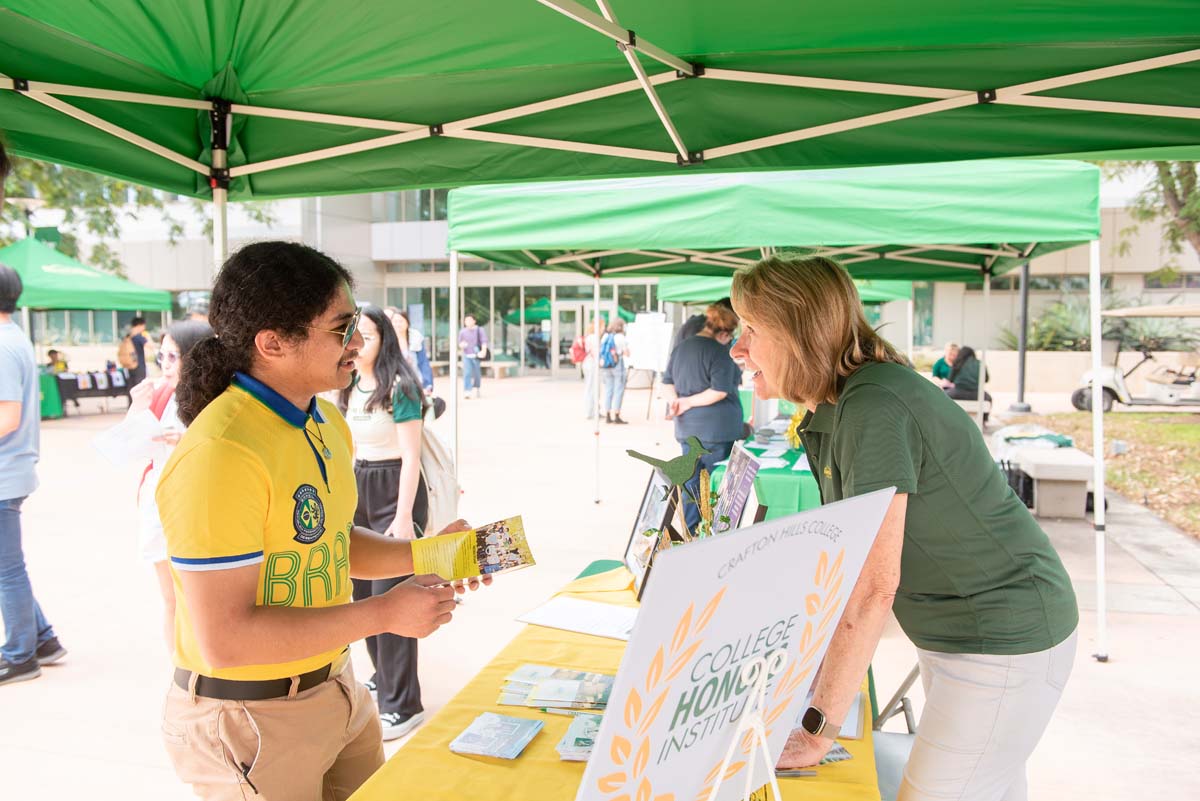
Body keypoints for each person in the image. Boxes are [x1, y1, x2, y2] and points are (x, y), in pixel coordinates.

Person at [730, 255, 1078, 800]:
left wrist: (818, 726)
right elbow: (840, 561)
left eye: (751, 329)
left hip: (1001, 637)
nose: (737, 348)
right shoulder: (842, 403)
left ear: (798, 332)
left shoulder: (874, 405)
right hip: (965, 634)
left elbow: (873, 585)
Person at [155, 241, 488, 800]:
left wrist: (429, 554)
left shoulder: (325, 423)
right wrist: (384, 612)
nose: (358, 343)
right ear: (273, 342)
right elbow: (227, 641)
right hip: (252, 717)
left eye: (355, 322)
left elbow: (329, 540)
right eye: (342, 328)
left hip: (337, 689)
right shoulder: (220, 454)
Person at [338, 305, 430, 741]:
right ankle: (384, 678)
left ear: (385, 340)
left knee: (391, 601)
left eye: (368, 336)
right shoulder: (350, 383)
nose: (357, 343)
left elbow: (412, 455)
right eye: (353, 334)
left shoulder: (401, 386)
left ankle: (403, 704)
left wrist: (403, 517)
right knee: (360, 598)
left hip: (397, 489)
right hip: (359, 484)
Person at [120, 320, 213, 648]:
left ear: (196, 357)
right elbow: (129, 448)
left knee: (202, 598)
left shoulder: (217, 399)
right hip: (161, 502)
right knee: (172, 597)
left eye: (173, 357)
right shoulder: (159, 394)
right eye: (162, 356)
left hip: (202, 504)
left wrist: (189, 440)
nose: (165, 365)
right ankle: (181, 671)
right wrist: (137, 408)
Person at [0, 257, 68, 687]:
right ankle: (41, 639)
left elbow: (8, 415)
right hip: (12, 469)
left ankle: (20, 654)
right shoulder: (13, 337)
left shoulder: (2, 345)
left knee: (7, 569)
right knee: (7, 565)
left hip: (4, 472)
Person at [661, 304, 743, 533]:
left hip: (687, 430)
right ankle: (714, 533)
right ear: (725, 333)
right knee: (716, 487)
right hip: (716, 432)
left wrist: (676, 402)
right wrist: (685, 402)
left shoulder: (681, 348)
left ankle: (690, 531)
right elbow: (720, 390)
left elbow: (666, 383)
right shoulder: (718, 352)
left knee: (690, 485)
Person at [599, 318, 630, 425]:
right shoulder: (620, 337)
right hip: (617, 365)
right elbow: (627, 353)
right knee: (618, 390)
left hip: (607, 366)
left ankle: (607, 414)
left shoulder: (606, 336)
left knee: (608, 389)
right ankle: (616, 415)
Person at [458, 314, 488, 399]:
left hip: (476, 355)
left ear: (474, 321)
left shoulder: (479, 330)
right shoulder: (462, 332)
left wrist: (484, 350)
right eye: (466, 320)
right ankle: (467, 390)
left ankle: (477, 387)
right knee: (467, 372)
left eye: (470, 320)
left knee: (476, 373)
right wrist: (462, 345)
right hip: (466, 355)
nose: (468, 322)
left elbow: (484, 341)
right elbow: (459, 343)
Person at [581, 316, 605, 420]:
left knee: (590, 387)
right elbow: (596, 353)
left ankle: (591, 411)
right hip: (592, 365)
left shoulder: (589, 336)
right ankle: (591, 411)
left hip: (588, 363)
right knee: (593, 388)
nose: (604, 328)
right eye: (603, 325)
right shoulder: (594, 337)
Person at [125, 316, 150, 386]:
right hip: (139, 367)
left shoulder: (128, 336)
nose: (144, 328)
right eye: (143, 326)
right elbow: (150, 345)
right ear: (139, 325)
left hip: (130, 365)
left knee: (132, 386)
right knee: (140, 387)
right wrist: (147, 336)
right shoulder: (139, 337)